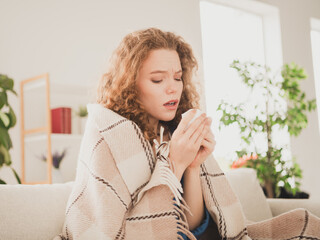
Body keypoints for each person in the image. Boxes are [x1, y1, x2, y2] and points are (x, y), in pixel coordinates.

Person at [55, 28, 320, 240]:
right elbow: (105, 233)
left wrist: (192, 165)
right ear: (130, 85)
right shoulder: (107, 135)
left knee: (301, 222)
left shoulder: (173, 131)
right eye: (158, 80)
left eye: (178, 77)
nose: (173, 88)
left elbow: (190, 226)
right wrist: (175, 163)